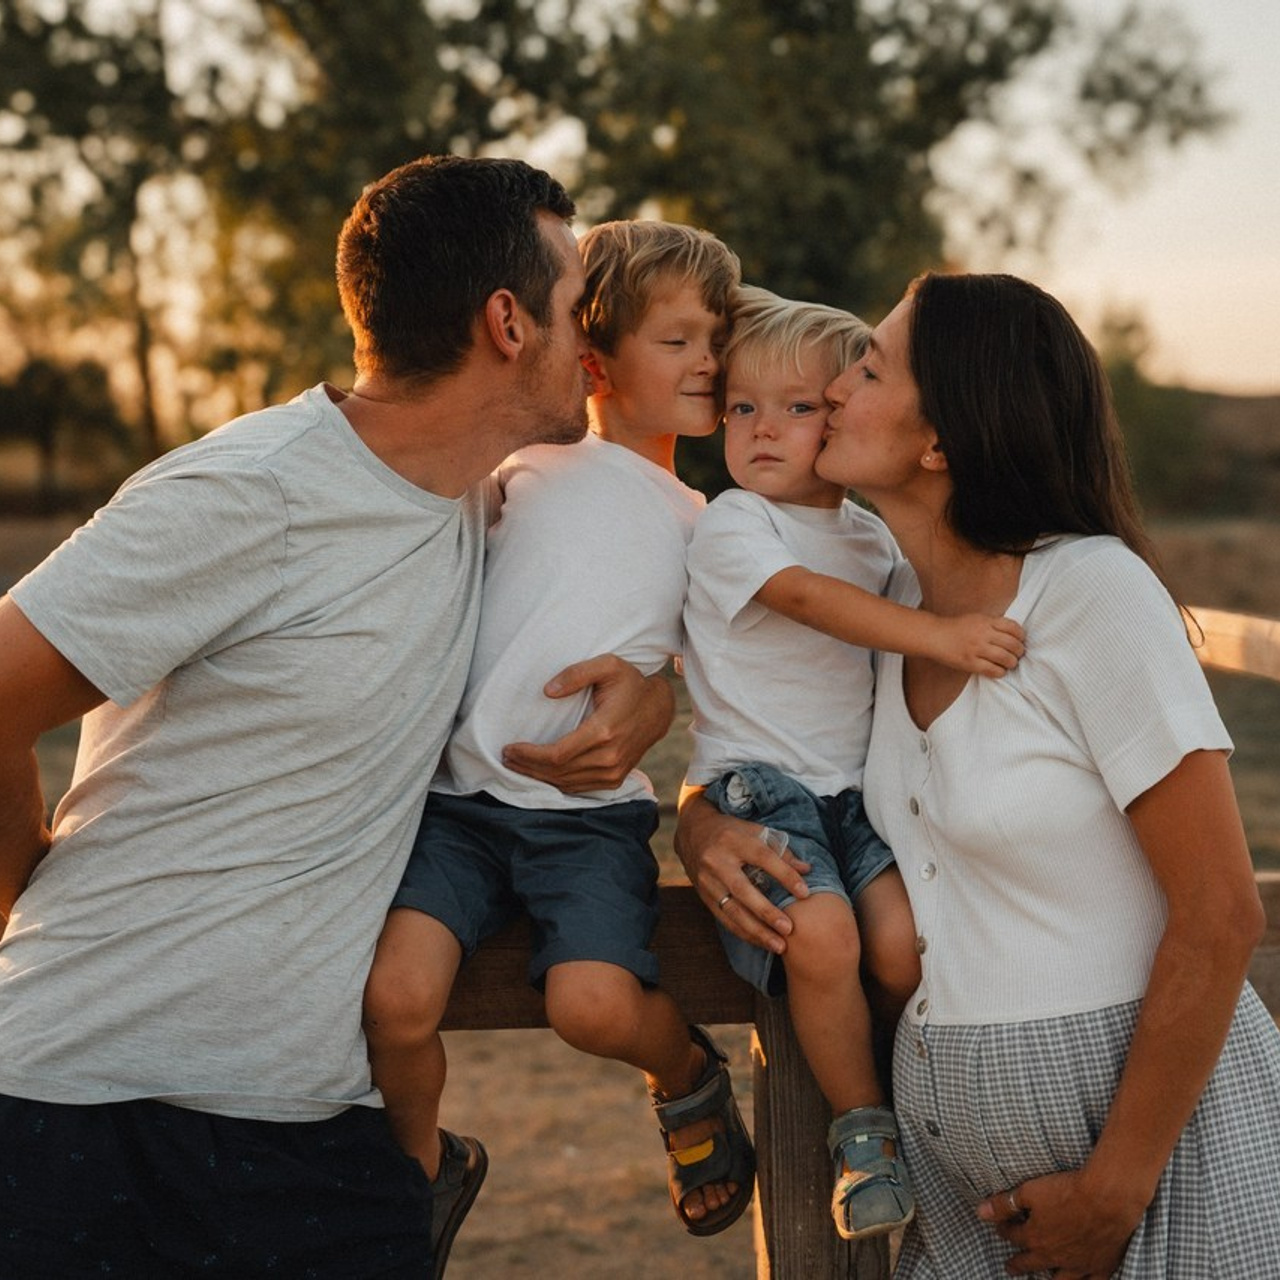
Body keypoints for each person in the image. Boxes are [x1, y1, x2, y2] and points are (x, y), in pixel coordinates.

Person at [0, 155, 675, 1279]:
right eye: (575, 312)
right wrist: (20, 888)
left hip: (310, 1118)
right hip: (79, 1098)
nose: (591, 346)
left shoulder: (481, 498)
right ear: (506, 322)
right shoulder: (250, 491)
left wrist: (651, 692)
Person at [678, 271, 1280, 1277]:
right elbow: (771, 748)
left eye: (865, 368)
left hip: (1148, 1179)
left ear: (940, 439)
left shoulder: (1089, 590)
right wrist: (700, 819)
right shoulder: (881, 611)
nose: (829, 390)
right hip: (967, 1210)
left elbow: (1220, 910)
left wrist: (1115, 1184)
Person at [361, 218, 756, 1252]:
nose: (709, 361)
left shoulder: (707, 522)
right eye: (677, 340)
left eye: (716, 337)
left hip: (583, 822)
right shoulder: (519, 463)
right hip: (455, 805)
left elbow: (703, 683)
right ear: (593, 359)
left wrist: (653, 702)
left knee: (591, 1005)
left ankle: (686, 1076)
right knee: (394, 998)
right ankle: (420, 1176)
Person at [680, 286, 1023, 1241]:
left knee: (901, 946)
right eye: (741, 407)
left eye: (798, 407)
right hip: (765, 788)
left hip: (859, 794)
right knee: (822, 938)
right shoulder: (737, 522)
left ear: (838, 415)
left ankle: (923, 1104)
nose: (761, 429)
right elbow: (808, 603)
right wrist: (944, 635)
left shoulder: (871, 536)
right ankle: (860, 1130)